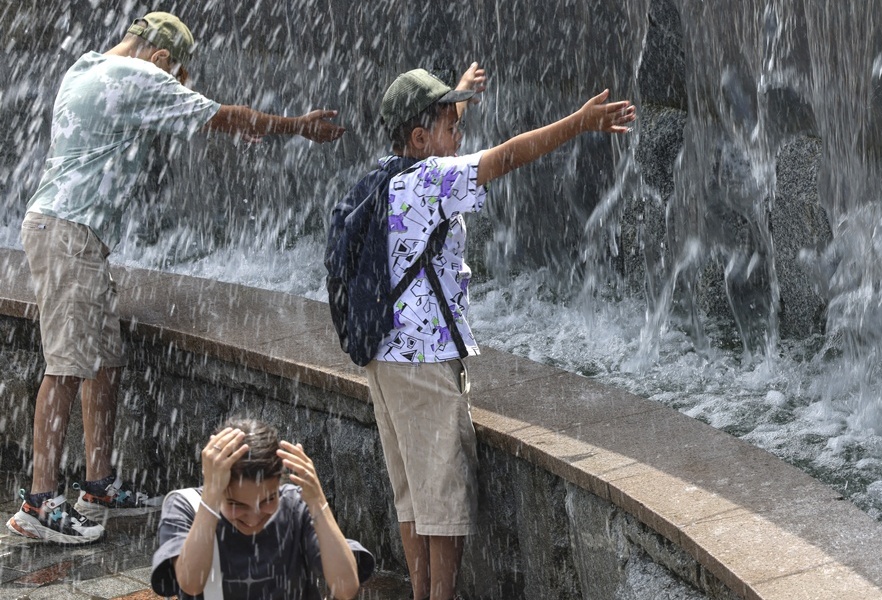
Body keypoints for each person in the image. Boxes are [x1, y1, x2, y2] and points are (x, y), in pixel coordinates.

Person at [7, 11, 345, 545]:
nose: (173, 84)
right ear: (162, 57)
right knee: (66, 366)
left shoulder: (87, 66)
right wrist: (296, 126)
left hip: (72, 232)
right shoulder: (142, 74)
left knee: (105, 361)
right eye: (174, 74)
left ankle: (98, 487)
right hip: (68, 233)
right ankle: (39, 501)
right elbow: (222, 115)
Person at [361, 65, 635, 600]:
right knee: (443, 500)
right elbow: (507, 156)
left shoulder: (388, 175)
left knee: (412, 496)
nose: (460, 135)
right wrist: (578, 123)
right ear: (420, 138)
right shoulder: (433, 180)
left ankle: (420, 593)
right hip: (423, 362)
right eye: (451, 127)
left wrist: (457, 94)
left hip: (385, 355)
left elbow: (440, 136)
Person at [150, 418, 374, 599]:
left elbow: (345, 588)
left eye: (268, 500)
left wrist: (318, 503)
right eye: (237, 504)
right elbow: (190, 584)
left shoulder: (296, 506)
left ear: (279, 483)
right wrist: (210, 496)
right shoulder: (186, 506)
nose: (253, 518)